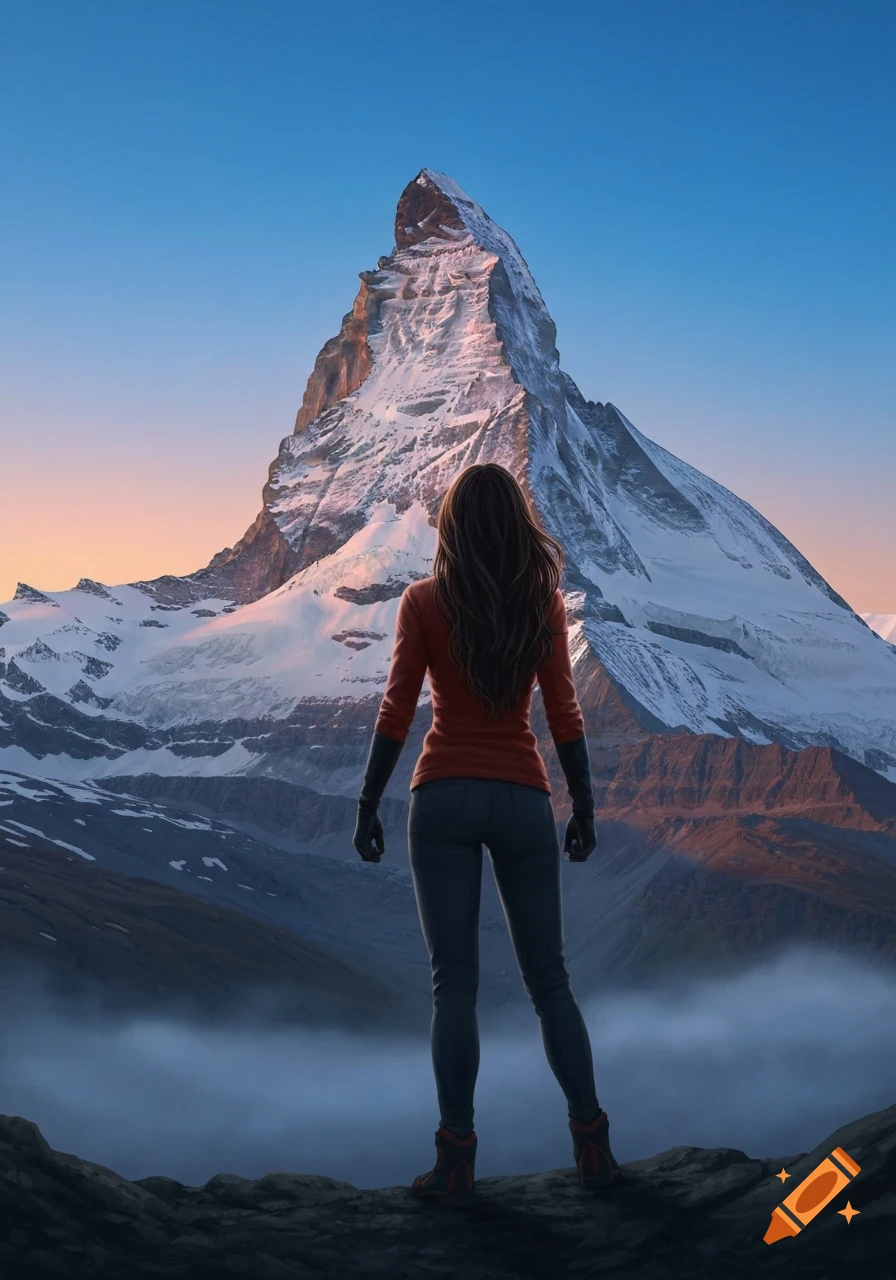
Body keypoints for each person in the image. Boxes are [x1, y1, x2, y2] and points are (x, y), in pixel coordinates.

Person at [352, 463, 621, 1209]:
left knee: (454, 988)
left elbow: (397, 711)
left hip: (440, 796)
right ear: (515, 524)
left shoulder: (424, 603)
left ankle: (457, 1158)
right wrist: (586, 807)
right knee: (551, 982)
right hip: (523, 798)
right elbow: (564, 713)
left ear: (451, 528)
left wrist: (368, 801)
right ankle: (592, 1144)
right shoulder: (540, 605)